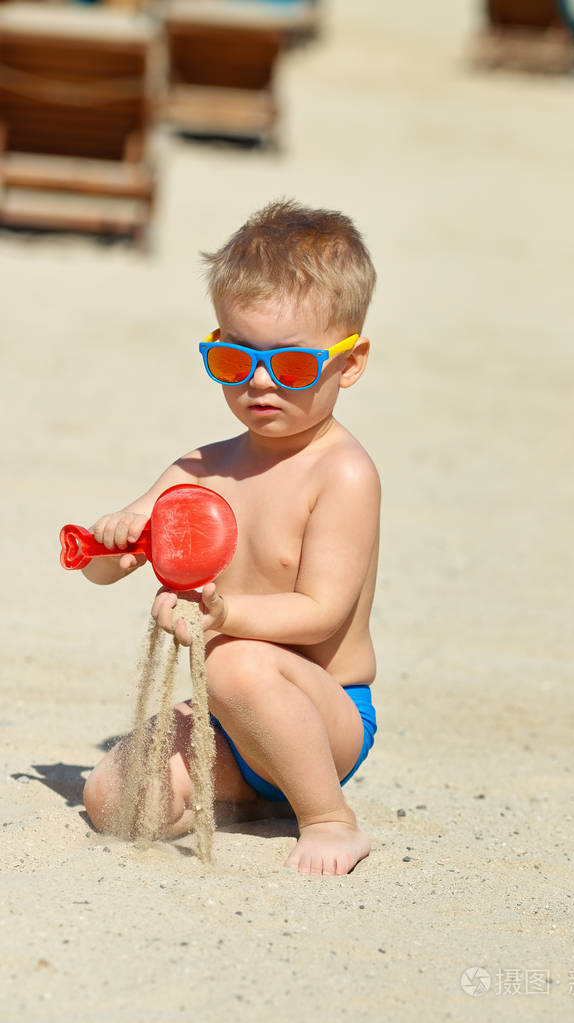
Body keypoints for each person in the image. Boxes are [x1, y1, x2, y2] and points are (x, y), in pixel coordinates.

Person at [81, 199, 380, 876]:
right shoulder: (200, 469)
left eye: (294, 366)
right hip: (227, 717)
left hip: (321, 709)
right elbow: (106, 570)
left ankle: (329, 814)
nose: (260, 380)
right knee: (114, 798)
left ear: (350, 362)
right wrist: (112, 539)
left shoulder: (342, 472)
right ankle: (248, 793)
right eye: (233, 357)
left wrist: (223, 615)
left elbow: (321, 612)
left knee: (234, 661)